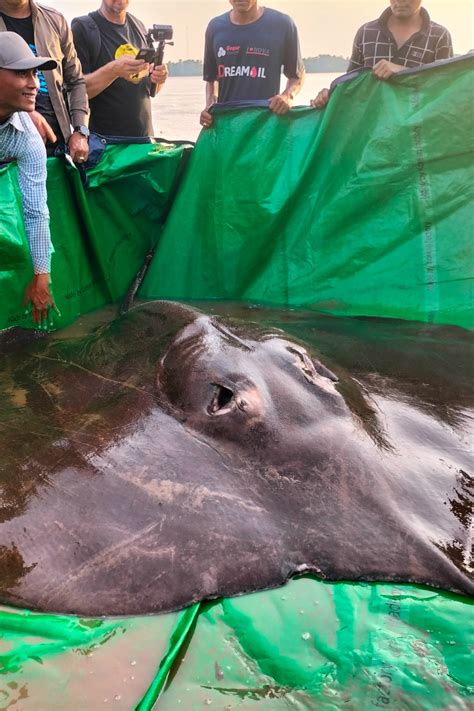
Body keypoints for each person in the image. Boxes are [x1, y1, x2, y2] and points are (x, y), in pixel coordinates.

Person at [0, 32, 56, 323]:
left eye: (34, 73)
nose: (34, 84)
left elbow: (36, 211)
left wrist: (41, 276)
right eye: (22, 73)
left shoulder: (27, 137)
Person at [312, 0, 453, 109]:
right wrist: (328, 95)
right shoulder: (366, 32)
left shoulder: (439, 36)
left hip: (416, 135)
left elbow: (446, 92)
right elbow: (351, 87)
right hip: (371, 135)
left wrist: (404, 72)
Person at [0, 0, 89, 162]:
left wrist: (80, 131)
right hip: (7, 149)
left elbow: (76, 81)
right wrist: (24, 114)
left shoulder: (55, 20)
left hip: (57, 146)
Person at [200, 0, 305, 129]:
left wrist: (287, 96)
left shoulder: (282, 25)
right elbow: (211, 79)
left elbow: (297, 75)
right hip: (226, 128)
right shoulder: (215, 27)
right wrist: (210, 106)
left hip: (264, 127)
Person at [71, 0, 168, 138]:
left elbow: (150, 90)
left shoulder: (139, 27)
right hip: (105, 146)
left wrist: (160, 78)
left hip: (144, 142)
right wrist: (114, 70)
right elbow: (77, 91)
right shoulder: (83, 28)